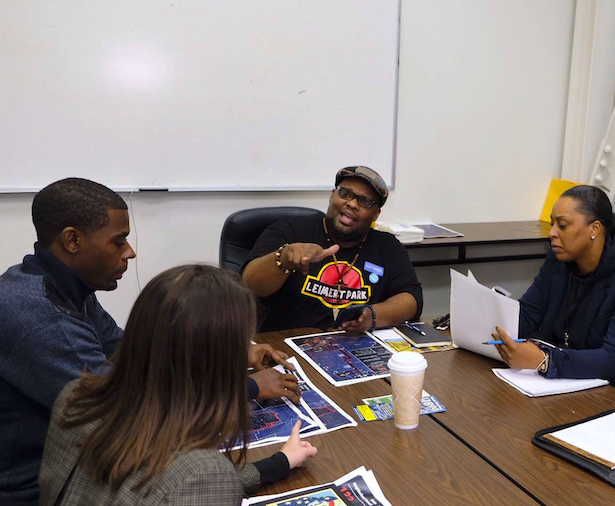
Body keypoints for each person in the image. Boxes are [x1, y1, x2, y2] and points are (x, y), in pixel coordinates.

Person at [0, 178, 299, 505]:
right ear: (72, 240)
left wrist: (231, 351)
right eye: (119, 241)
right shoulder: (46, 320)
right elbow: (134, 408)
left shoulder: (60, 286)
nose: (130, 252)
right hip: (47, 486)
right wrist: (248, 388)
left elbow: (133, 353)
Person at [39, 265, 317, 505]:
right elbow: (189, 481)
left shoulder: (75, 397)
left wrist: (277, 464)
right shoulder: (199, 474)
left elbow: (159, 484)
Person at [492, 185, 615, 404]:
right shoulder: (558, 260)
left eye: (562, 225)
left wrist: (546, 361)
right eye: (552, 224)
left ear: (595, 229)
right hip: (574, 383)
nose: (552, 233)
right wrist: (490, 325)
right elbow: (528, 314)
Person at [242, 166, 423, 332]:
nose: (352, 204)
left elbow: (412, 299)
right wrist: (284, 258)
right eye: (345, 193)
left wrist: (373, 316)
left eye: (365, 202)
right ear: (332, 195)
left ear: (376, 214)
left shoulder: (387, 247)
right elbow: (249, 286)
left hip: (353, 350)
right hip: (286, 348)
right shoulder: (289, 231)